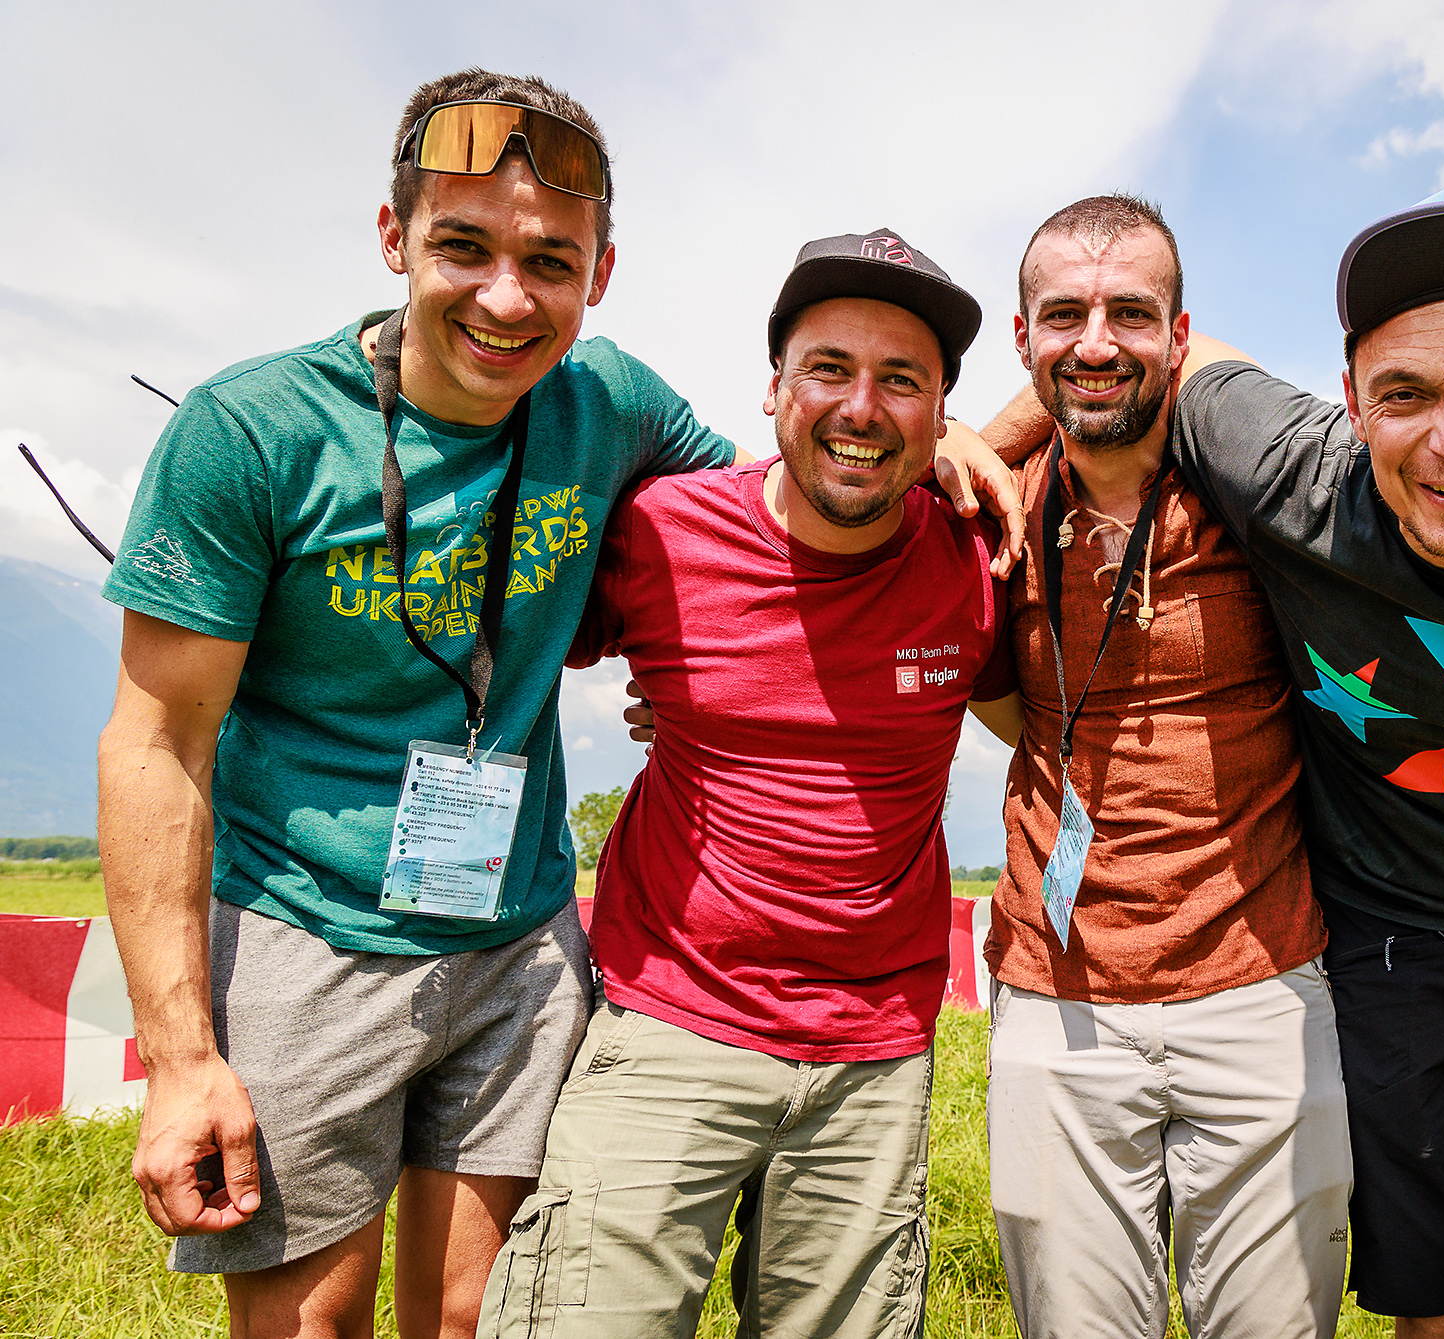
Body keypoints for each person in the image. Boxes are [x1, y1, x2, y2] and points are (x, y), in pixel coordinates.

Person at [976, 190, 1444, 1339]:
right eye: (1404, 393)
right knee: (1441, 1311)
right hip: (1382, 943)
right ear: (1350, 403)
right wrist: (969, 444)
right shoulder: (1293, 474)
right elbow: (1118, 358)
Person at [96, 69, 741, 1338]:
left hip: (518, 938)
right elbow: (156, 739)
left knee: (476, 1323)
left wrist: (938, 438)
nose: (507, 299)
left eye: (551, 261)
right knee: (308, 1325)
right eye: (463, 246)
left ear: (600, 273)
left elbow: (761, 536)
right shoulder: (255, 431)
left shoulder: (607, 400)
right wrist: (178, 1061)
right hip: (306, 928)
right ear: (393, 238)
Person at [478, 230, 1018, 1339]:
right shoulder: (657, 533)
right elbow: (503, 643)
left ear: (939, 416)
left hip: (873, 1054)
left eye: (902, 381)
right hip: (669, 1022)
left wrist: (985, 442)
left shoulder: (979, 557)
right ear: (774, 387)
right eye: (829, 369)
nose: (861, 407)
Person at [982, 195, 1349, 1339]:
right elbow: (998, 700)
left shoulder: (1251, 493)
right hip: (1058, 994)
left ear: (1181, 338)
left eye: (1131, 314)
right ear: (1022, 335)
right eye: (1065, 316)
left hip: (1263, 983)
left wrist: (980, 431)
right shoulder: (989, 514)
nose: (1095, 342)